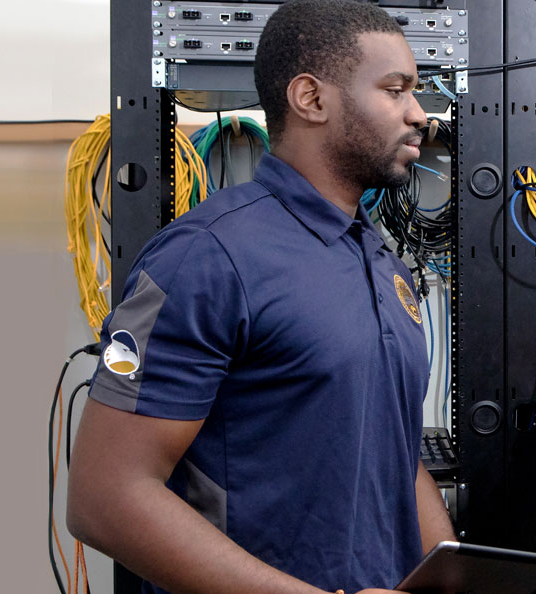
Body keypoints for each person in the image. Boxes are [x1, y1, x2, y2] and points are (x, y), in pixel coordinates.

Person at [66, 2, 453, 593]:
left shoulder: (381, 263)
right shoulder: (204, 256)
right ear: (311, 99)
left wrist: (446, 577)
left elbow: (397, 458)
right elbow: (106, 496)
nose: (418, 114)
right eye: (395, 90)